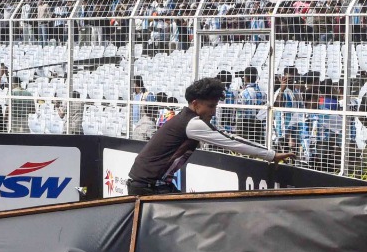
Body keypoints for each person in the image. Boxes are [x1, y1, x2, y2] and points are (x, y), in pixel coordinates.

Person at [126, 77, 293, 196]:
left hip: (150, 184)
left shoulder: (187, 119)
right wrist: (271, 155)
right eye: (211, 106)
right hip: (149, 187)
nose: (213, 112)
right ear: (196, 104)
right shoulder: (192, 124)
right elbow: (231, 141)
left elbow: (228, 136)